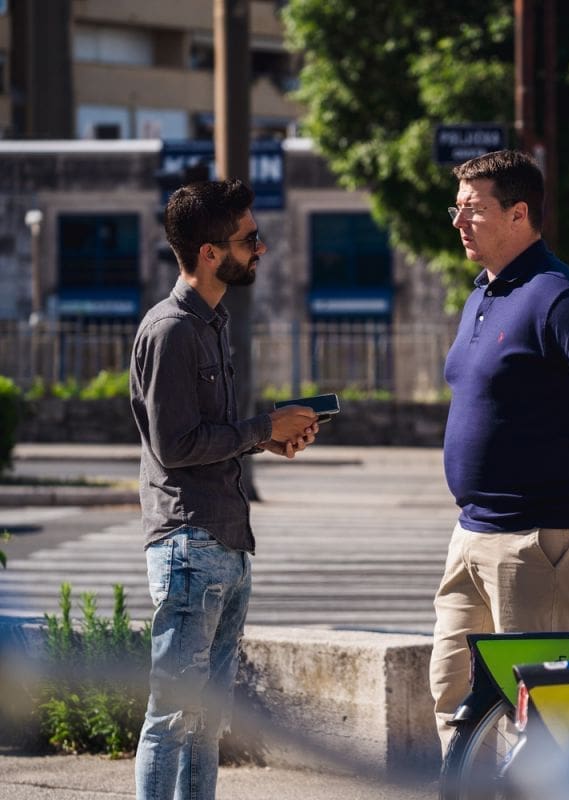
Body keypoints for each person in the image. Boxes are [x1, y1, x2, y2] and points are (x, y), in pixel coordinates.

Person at [430, 149, 569, 753]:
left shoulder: (557, 294)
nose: (458, 221)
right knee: (453, 696)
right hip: (474, 529)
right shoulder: (484, 293)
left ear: (519, 213)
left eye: (473, 209)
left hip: (537, 535)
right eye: (457, 207)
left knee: (537, 716)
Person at [130, 178, 320, 800]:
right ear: (210, 253)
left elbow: (209, 435)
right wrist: (262, 427)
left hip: (225, 542)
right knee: (172, 716)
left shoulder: (212, 323)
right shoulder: (171, 330)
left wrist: (268, 440)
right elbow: (176, 445)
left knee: (206, 721)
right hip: (190, 544)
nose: (260, 249)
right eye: (249, 239)